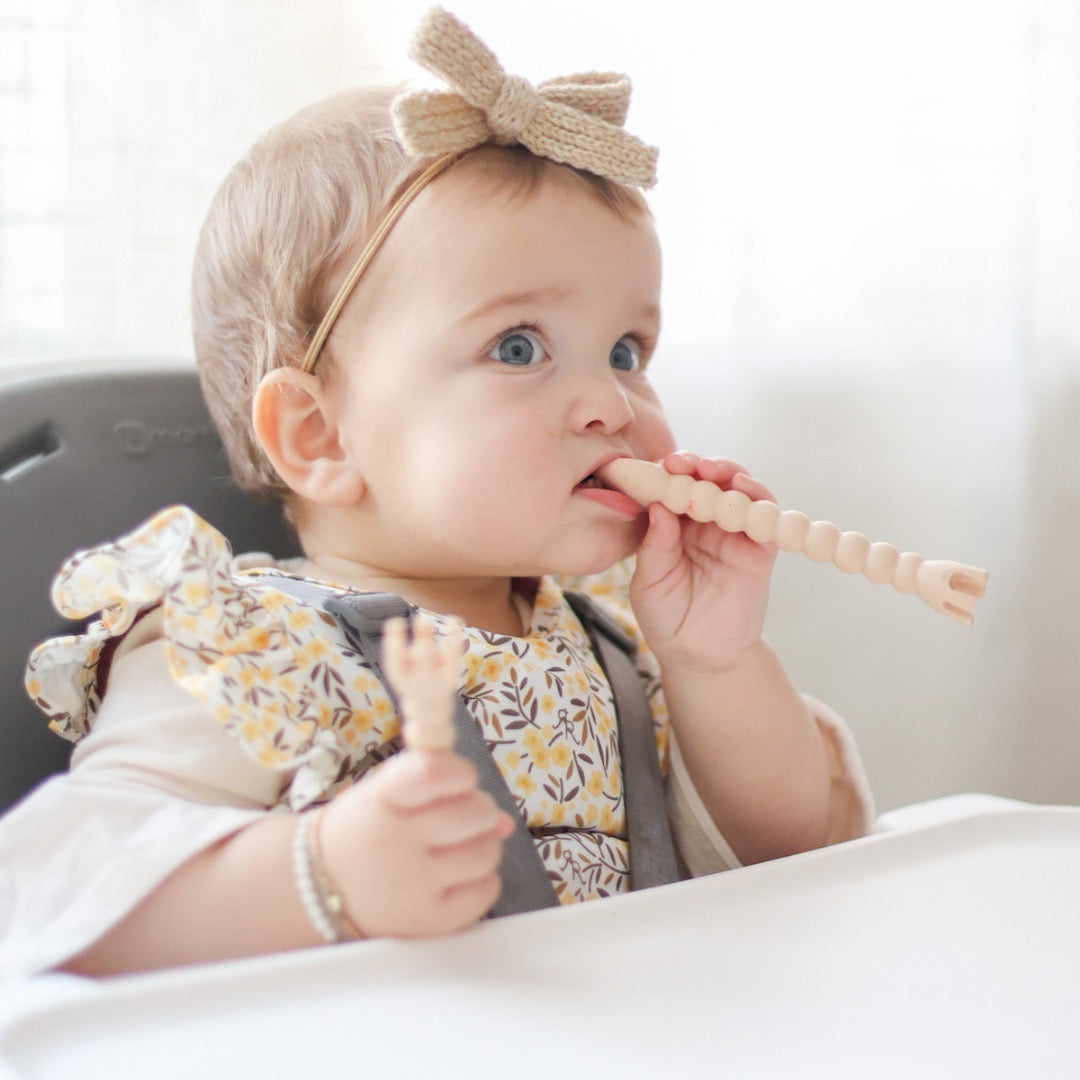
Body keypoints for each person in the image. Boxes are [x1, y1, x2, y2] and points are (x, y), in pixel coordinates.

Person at [0, 7, 872, 979]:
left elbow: (798, 853)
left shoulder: (618, 633)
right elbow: (50, 893)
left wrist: (717, 662)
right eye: (518, 347)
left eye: (628, 350)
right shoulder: (255, 650)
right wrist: (325, 877)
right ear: (322, 435)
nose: (609, 401)